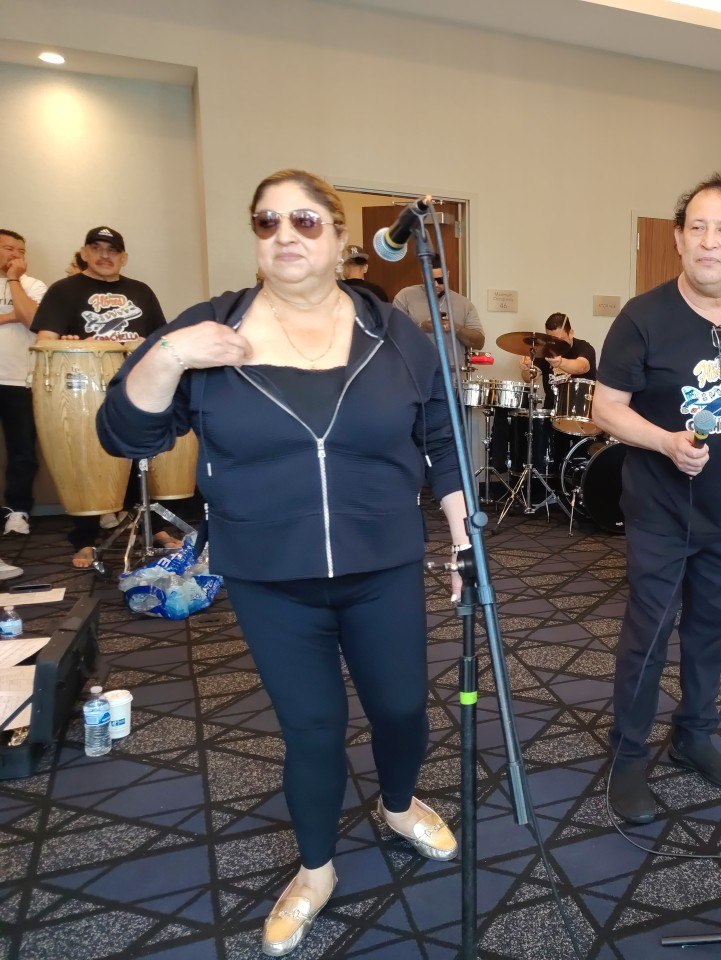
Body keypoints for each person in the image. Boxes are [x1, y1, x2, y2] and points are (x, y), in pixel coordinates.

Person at [97, 169, 469, 957]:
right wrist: (168, 357)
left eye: (305, 221)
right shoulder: (211, 329)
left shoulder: (394, 333)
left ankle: (399, 805)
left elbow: (443, 440)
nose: (284, 236)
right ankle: (316, 869)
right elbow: (126, 437)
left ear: (339, 237)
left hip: (383, 566)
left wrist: (462, 533)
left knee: (402, 708)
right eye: (267, 223)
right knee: (313, 729)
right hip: (271, 576)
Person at [593, 172, 721, 824]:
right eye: (698, 228)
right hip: (658, 512)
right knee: (648, 637)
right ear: (679, 239)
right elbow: (605, 408)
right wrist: (663, 441)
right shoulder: (642, 317)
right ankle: (628, 759)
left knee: (712, 631)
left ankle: (694, 737)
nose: (710, 241)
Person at [31, 226, 169, 566]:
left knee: (148, 455)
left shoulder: (141, 291)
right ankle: (85, 539)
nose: (105, 255)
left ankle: (158, 529)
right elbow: (45, 341)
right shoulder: (64, 291)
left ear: (123, 256)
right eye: (97, 248)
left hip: (138, 385)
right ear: (84, 253)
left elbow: (160, 339)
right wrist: (65, 343)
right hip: (86, 386)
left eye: (112, 250)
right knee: (88, 458)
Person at [0, 230, 47, 540]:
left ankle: (17, 512)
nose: (15, 254)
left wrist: (15, 280)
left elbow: (33, 319)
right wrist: (9, 316)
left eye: (20, 250)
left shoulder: (34, 286)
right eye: (7, 248)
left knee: (21, 451)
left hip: (20, 379)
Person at [393, 265, 484, 357]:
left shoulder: (464, 303)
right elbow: (393, 337)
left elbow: (479, 343)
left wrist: (456, 328)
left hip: (452, 369)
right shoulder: (405, 296)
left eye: (440, 280)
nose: (436, 285)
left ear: (447, 275)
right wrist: (422, 328)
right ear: (423, 276)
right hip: (416, 368)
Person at [519, 312, 597, 408]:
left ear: (571, 333)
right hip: (551, 412)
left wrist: (560, 362)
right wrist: (527, 368)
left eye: (561, 339)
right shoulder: (545, 350)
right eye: (552, 339)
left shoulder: (584, 347)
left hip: (579, 412)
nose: (556, 343)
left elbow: (582, 366)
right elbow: (530, 378)